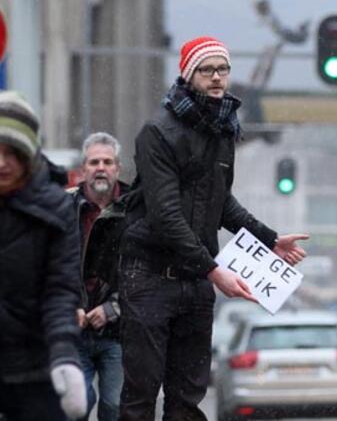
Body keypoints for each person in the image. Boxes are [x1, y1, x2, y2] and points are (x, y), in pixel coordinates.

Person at [117, 36, 309, 420]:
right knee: (142, 393)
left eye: (223, 69)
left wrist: (269, 239)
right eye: (207, 70)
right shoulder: (157, 132)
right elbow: (165, 215)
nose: (218, 78)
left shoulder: (223, 130)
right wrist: (214, 270)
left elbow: (221, 202)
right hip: (149, 277)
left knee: (187, 398)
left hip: (196, 283)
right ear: (188, 76)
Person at [0, 91, 87, 420]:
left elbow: (60, 290)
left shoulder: (57, 208)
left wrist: (64, 354)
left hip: (36, 366)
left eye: (12, 152)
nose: (1, 163)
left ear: (29, 155)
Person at [69, 132, 128, 421]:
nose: (100, 167)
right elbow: (52, 266)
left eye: (107, 161)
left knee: (115, 407)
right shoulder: (63, 209)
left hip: (119, 332)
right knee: (76, 405)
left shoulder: (135, 210)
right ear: (83, 169)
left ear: (118, 168)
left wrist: (112, 308)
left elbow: (143, 273)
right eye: (94, 162)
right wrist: (71, 307)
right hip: (72, 331)